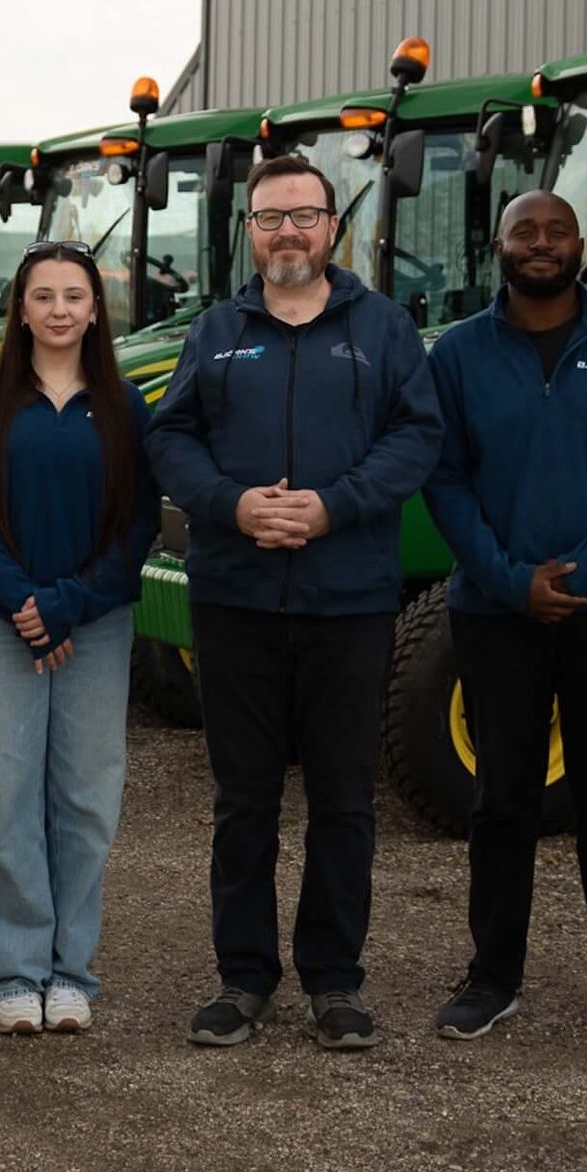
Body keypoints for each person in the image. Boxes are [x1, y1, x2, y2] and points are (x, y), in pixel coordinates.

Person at [149, 153, 442, 1052]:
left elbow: (417, 435)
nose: (286, 233)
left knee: (345, 800)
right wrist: (232, 505)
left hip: (347, 602)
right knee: (244, 800)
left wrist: (332, 506)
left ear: (332, 227)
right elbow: (171, 436)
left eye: (303, 216)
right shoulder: (216, 333)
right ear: (251, 232)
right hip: (236, 601)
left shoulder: (383, 328)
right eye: (270, 218)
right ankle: (243, 978)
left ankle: (334, 979)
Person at [424, 191, 587, 1052]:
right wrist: (507, 580)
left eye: (556, 231)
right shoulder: (459, 353)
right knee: (503, 799)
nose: (540, 245)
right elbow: (444, 478)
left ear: (581, 244)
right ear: (498, 246)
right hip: (495, 612)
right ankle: (492, 978)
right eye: (523, 232)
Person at [0, 242, 159, 1033]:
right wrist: (23, 603)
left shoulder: (124, 405)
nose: (61, 309)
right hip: (1, 625)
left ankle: (70, 973)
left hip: (94, 625)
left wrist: (69, 603)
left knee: (85, 798)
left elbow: (138, 522)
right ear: (21, 309)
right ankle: (14, 973)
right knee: (6, 799)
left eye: (75, 296)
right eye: (45, 296)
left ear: (95, 310)